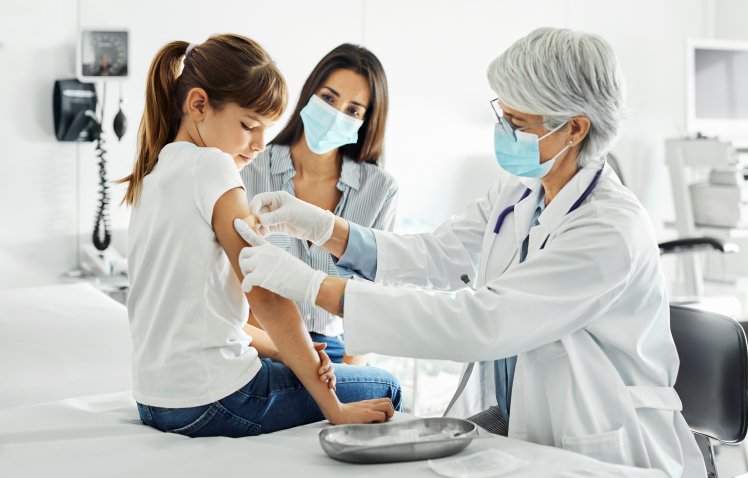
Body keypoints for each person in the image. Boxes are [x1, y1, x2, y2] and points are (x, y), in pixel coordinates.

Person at [234, 27, 706, 476]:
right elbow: (436, 254)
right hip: (524, 419)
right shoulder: (520, 191)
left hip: (603, 441)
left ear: (575, 129)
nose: (502, 129)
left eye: (517, 123)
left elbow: (482, 322)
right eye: (503, 114)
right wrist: (323, 227)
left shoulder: (609, 230)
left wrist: (312, 286)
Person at [118, 34, 400, 438]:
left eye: (266, 129)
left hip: (155, 402)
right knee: (386, 386)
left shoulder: (154, 172)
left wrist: (286, 351)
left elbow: (198, 313)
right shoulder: (215, 166)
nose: (258, 144)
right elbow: (265, 292)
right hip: (215, 397)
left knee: (323, 369)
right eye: (250, 126)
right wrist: (334, 408)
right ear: (198, 105)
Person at [241, 43, 396, 365]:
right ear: (310, 95)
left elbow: (373, 297)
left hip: (333, 350)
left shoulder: (379, 189)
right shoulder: (249, 167)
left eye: (353, 110)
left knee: (385, 390)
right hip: (256, 342)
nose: (336, 115)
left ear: (366, 121)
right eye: (328, 98)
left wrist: (348, 377)